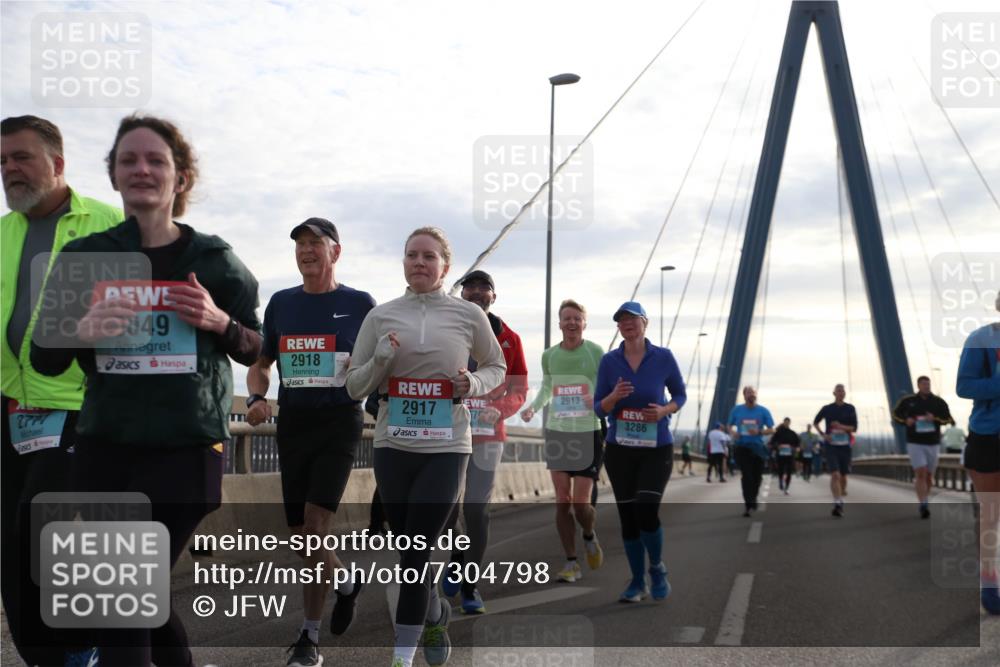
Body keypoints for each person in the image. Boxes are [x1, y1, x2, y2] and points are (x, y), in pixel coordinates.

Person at [30, 114, 261, 666]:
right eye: (128, 160)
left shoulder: (214, 260)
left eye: (156, 160)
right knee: (135, 597)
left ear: (181, 178)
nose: (141, 169)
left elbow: (255, 348)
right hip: (105, 448)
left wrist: (219, 321)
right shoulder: (86, 258)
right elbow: (43, 357)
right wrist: (81, 329)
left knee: (121, 592)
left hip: (186, 450)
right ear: (112, 174)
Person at [346, 227, 505, 667]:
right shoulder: (380, 316)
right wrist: (380, 360)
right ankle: (435, 613)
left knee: (416, 551)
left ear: (445, 267)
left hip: (447, 446)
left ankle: (402, 657)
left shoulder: (467, 315)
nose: (419, 262)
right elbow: (354, 386)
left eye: (429, 256)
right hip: (393, 444)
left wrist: (472, 383)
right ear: (403, 262)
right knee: (408, 549)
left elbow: (496, 366)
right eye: (412, 255)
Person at [1, 115, 122, 667]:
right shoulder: (2, 233)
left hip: (81, 409)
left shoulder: (108, 223)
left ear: (57, 163)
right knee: (11, 550)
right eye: (2, 161)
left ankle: (85, 643)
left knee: (43, 531)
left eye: (21, 157)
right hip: (11, 407)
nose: (9, 169)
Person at [245, 217, 375, 665]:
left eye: (315, 243)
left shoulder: (360, 304)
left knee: (316, 527)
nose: (306, 250)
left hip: (339, 422)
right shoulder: (282, 304)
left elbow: (380, 363)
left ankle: (309, 638)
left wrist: (374, 379)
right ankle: (346, 583)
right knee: (301, 538)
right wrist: (257, 397)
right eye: (300, 243)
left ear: (335, 251)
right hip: (294, 423)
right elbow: (262, 364)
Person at [440, 269, 528, 614]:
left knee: (476, 510)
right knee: (446, 509)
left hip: (488, 437)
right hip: (447, 432)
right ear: (461, 293)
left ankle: (470, 585)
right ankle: (458, 555)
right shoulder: (447, 329)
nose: (476, 292)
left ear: (494, 296)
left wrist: (500, 409)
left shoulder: (511, 339)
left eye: (484, 287)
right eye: (470, 287)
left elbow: (519, 389)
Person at [594, 301, 685, 603]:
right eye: (621, 320)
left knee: (646, 509)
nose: (627, 324)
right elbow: (598, 408)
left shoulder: (663, 357)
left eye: (632, 318)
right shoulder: (609, 361)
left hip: (656, 448)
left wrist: (664, 411)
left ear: (645, 322)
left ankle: (656, 568)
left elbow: (680, 394)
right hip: (620, 450)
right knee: (628, 518)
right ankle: (636, 581)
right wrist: (613, 397)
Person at [520, 299, 606, 583]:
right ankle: (571, 562)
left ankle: (589, 535)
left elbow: (604, 385)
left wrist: (597, 398)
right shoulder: (549, 356)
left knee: (581, 503)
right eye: (567, 318)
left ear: (584, 323)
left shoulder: (595, 352)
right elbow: (548, 386)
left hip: (587, 432)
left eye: (576, 318)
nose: (572, 322)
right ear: (559, 323)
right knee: (562, 501)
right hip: (558, 431)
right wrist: (534, 407)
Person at [956, 290, 1000, 615]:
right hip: (989, 436)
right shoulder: (980, 339)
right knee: (991, 514)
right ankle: (989, 583)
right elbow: (964, 386)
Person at [892, 375, 955, 519]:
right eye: (924, 384)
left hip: (933, 443)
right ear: (918, 385)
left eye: (928, 384)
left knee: (929, 476)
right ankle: (923, 504)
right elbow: (895, 415)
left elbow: (949, 419)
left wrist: (935, 418)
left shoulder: (938, 402)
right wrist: (905, 420)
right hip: (915, 442)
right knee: (920, 472)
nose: (926, 386)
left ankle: (925, 498)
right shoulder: (908, 401)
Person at [727, 386, 775, 517]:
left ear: (756, 395)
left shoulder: (763, 411)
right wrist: (733, 432)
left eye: (753, 393)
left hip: (758, 448)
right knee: (747, 476)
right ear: (744, 395)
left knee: (757, 477)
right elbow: (729, 426)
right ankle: (748, 504)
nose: (752, 395)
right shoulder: (737, 410)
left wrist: (759, 431)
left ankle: (753, 498)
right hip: (742, 447)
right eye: (749, 393)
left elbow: (772, 429)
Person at [813, 384, 858, 518]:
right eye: (838, 391)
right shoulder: (827, 408)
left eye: (842, 391)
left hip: (845, 446)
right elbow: (815, 422)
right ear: (834, 393)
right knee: (835, 475)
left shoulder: (850, 408)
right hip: (831, 446)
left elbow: (854, 428)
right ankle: (837, 503)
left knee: (843, 477)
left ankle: (841, 493)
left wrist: (840, 426)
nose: (841, 393)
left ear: (845, 393)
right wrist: (823, 435)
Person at [770, 418, 800, 495]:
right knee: (781, 470)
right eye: (785, 422)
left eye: (788, 422)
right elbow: (772, 442)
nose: (786, 423)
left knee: (789, 471)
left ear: (790, 423)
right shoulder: (778, 433)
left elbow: (797, 443)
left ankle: (786, 487)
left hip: (790, 455)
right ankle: (780, 481)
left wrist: (796, 448)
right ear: (783, 422)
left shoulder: (792, 433)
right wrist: (777, 446)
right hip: (780, 455)